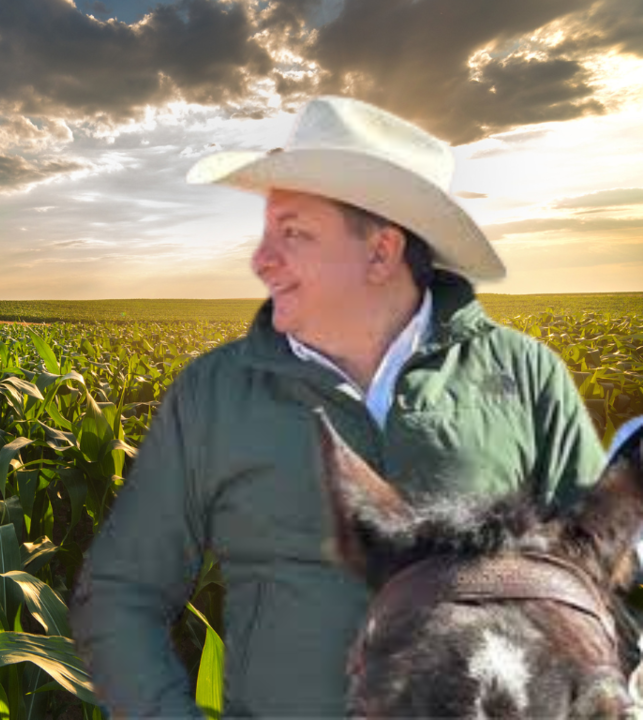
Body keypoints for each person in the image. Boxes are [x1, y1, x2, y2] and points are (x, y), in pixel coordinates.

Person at [68, 96, 607, 717]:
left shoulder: (526, 374)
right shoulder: (212, 394)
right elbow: (120, 592)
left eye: (293, 233)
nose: (260, 259)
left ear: (380, 253)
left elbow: (600, 583)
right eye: (268, 231)